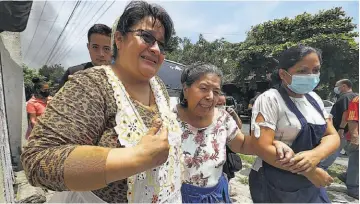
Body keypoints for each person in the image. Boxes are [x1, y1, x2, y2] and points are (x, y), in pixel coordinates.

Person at [21, 1, 183, 203]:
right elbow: (37, 161)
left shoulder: (158, 86)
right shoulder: (92, 84)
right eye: (147, 37)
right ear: (119, 39)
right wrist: (136, 158)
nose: (156, 49)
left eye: (162, 44)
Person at [175, 63, 295, 203]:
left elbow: (242, 143)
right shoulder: (168, 117)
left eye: (216, 91)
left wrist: (271, 142)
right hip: (178, 197)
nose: (210, 96)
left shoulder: (222, 117)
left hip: (216, 195)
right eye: (203, 88)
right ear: (186, 89)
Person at [248, 44, 340, 203]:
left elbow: (332, 135)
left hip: (311, 180)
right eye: (302, 71)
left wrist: (314, 155)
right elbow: (261, 147)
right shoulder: (270, 99)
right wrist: (309, 171)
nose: (311, 75)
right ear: (283, 74)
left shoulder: (315, 99)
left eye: (315, 70)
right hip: (277, 181)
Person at [57, 24, 112, 90]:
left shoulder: (120, 76)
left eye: (106, 48)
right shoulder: (73, 73)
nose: (101, 54)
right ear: (88, 47)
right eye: (95, 47)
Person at [321, 79, 358, 169]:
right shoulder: (356, 96)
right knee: (353, 153)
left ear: (344, 86)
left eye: (337, 86)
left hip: (342, 131)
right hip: (351, 130)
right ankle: (350, 175)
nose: (336, 88)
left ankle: (321, 167)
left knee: (334, 150)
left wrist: (341, 129)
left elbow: (346, 113)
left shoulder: (345, 97)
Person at [339, 96, 359, 199]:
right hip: (357, 137)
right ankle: (353, 188)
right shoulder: (357, 100)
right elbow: (352, 118)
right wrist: (355, 137)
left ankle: (347, 176)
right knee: (356, 162)